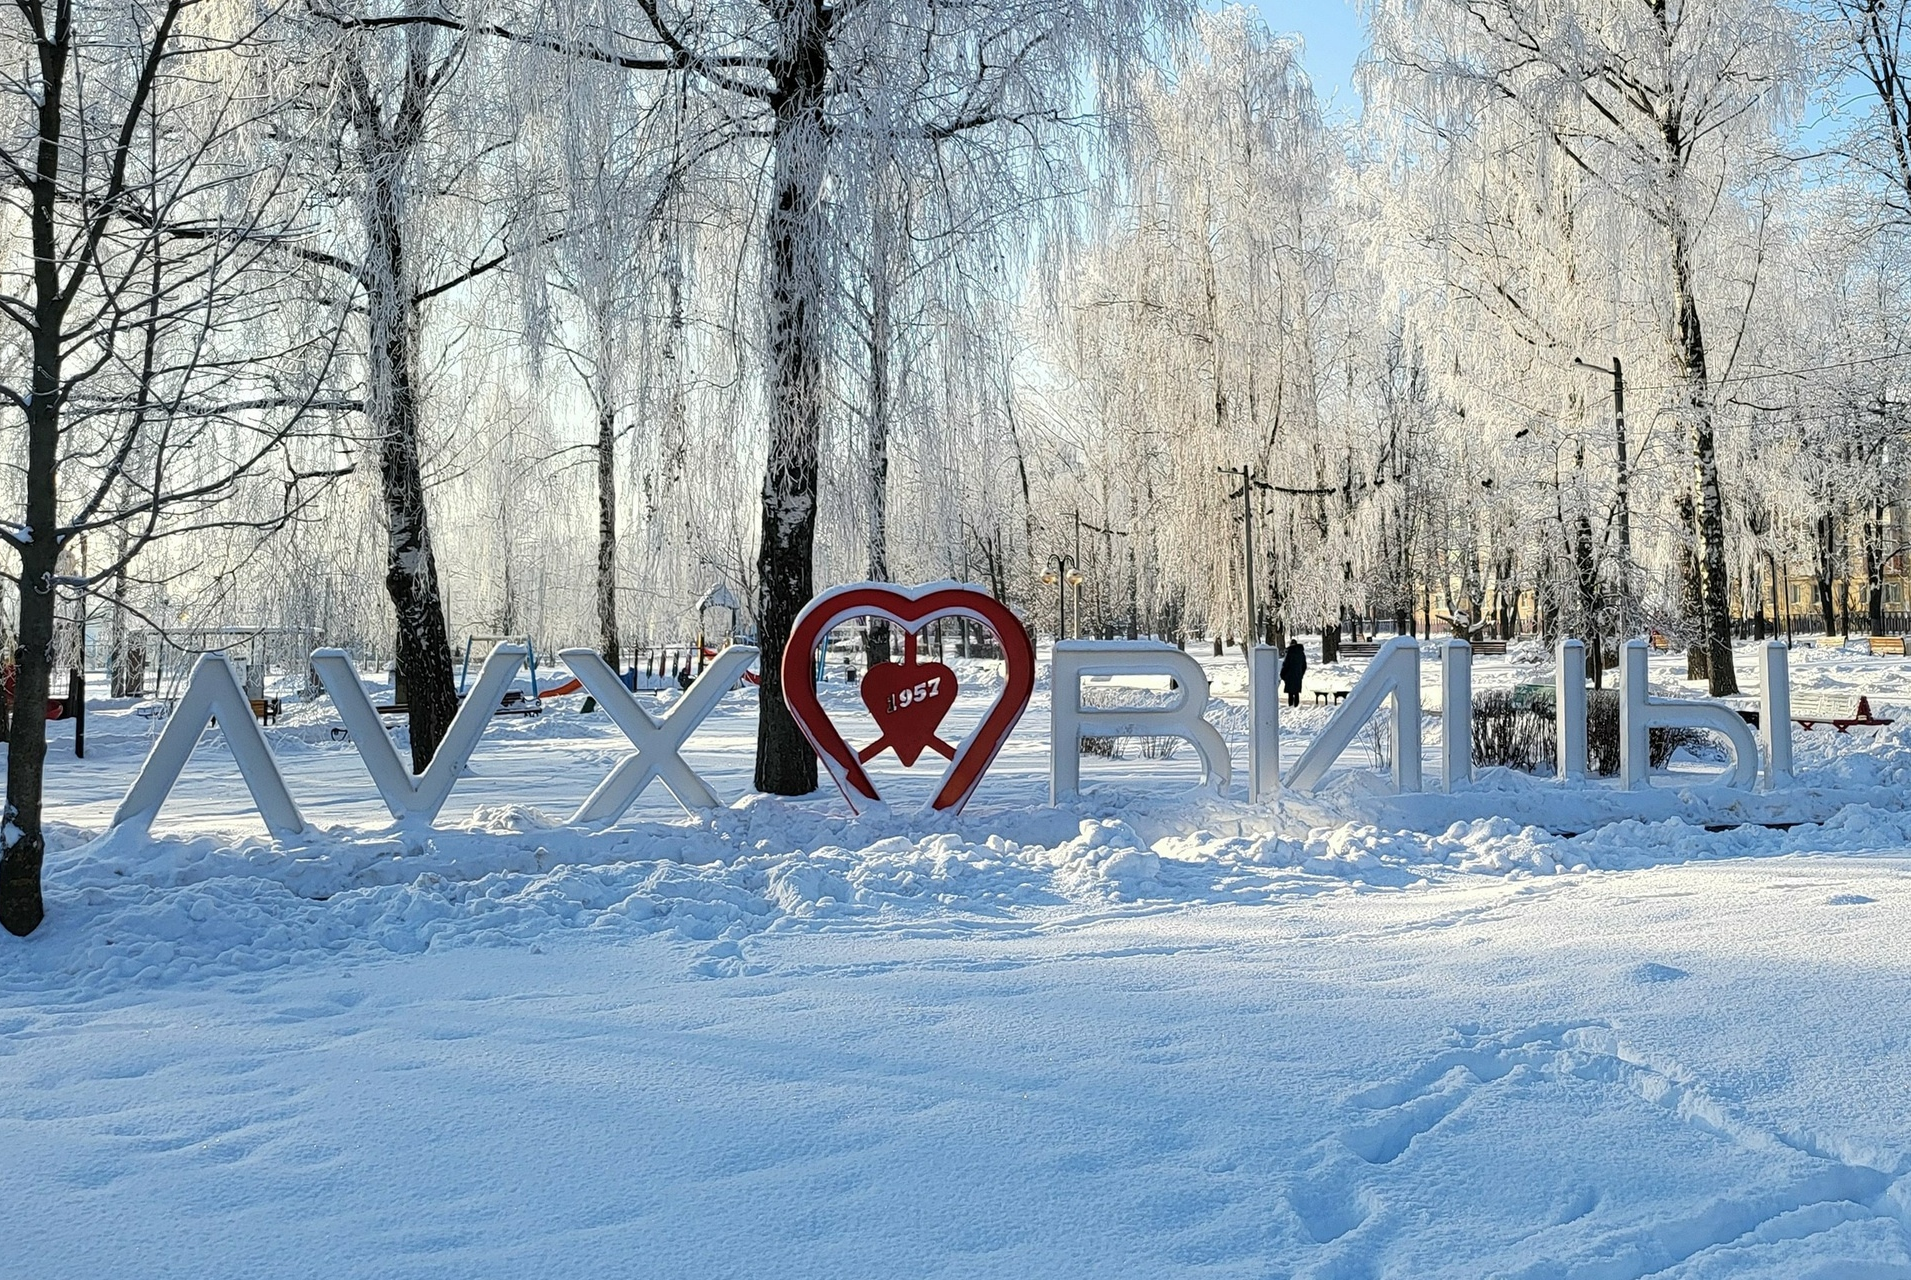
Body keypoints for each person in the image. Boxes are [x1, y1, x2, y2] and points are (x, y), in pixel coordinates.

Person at [1280, 639, 1307, 708]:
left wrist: (1282, 674)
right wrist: (1301, 673)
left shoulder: (1289, 653)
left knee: (1290, 692)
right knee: (1296, 691)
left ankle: (1291, 705)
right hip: (1298, 675)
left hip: (1289, 675)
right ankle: (1296, 706)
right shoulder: (1301, 653)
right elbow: (1304, 665)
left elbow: (1286, 664)